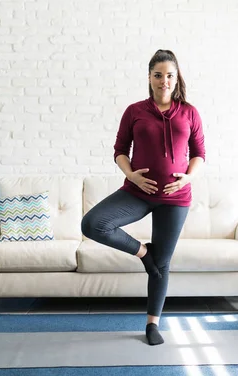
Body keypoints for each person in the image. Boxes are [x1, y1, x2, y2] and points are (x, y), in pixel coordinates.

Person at [81, 49, 206, 346]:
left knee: (162, 263)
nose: (164, 81)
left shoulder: (189, 112)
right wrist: (132, 174)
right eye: (158, 75)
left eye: (170, 75)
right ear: (149, 78)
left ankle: (152, 324)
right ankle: (144, 254)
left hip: (175, 198)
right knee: (93, 224)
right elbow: (120, 150)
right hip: (138, 192)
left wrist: (188, 176)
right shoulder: (135, 111)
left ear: (177, 79)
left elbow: (200, 153)